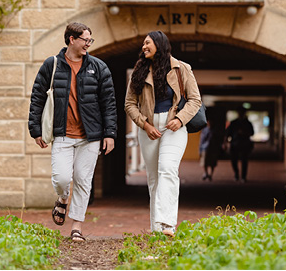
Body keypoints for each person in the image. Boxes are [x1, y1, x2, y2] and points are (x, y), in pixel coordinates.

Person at [28, 22, 117, 243]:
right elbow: (37, 97)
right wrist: (35, 129)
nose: (88, 44)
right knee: (62, 178)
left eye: (90, 40)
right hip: (62, 134)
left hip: (91, 137)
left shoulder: (99, 67)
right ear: (72, 40)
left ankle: (76, 227)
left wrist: (110, 133)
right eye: (85, 39)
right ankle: (62, 197)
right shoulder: (52, 64)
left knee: (83, 180)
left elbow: (109, 103)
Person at [123, 31, 202, 237]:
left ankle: (168, 224)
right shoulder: (139, 70)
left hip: (174, 126)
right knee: (154, 179)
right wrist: (145, 125)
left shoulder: (181, 68)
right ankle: (156, 229)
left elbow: (195, 100)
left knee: (167, 169)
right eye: (143, 43)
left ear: (159, 44)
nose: (144, 46)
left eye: (147, 43)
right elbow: (129, 104)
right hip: (148, 127)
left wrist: (180, 119)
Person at [224, 107, 255, 182]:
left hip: (245, 144)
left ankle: (243, 176)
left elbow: (252, 133)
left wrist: (244, 133)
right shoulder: (233, 123)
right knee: (234, 160)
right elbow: (228, 133)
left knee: (244, 161)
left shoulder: (247, 123)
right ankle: (236, 173)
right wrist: (225, 142)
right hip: (235, 144)